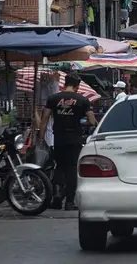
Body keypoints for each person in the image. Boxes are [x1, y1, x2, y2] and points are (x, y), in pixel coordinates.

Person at [38, 73, 96, 210]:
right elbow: (92, 121)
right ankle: (70, 202)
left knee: (59, 167)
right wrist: (81, 122)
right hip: (74, 139)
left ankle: (56, 198)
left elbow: (45, 118)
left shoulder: (53, 98)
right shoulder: (82, 100)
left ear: (64, 83)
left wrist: (41, 138)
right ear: (77, 86)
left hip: (58, 138)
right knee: (71, 169)